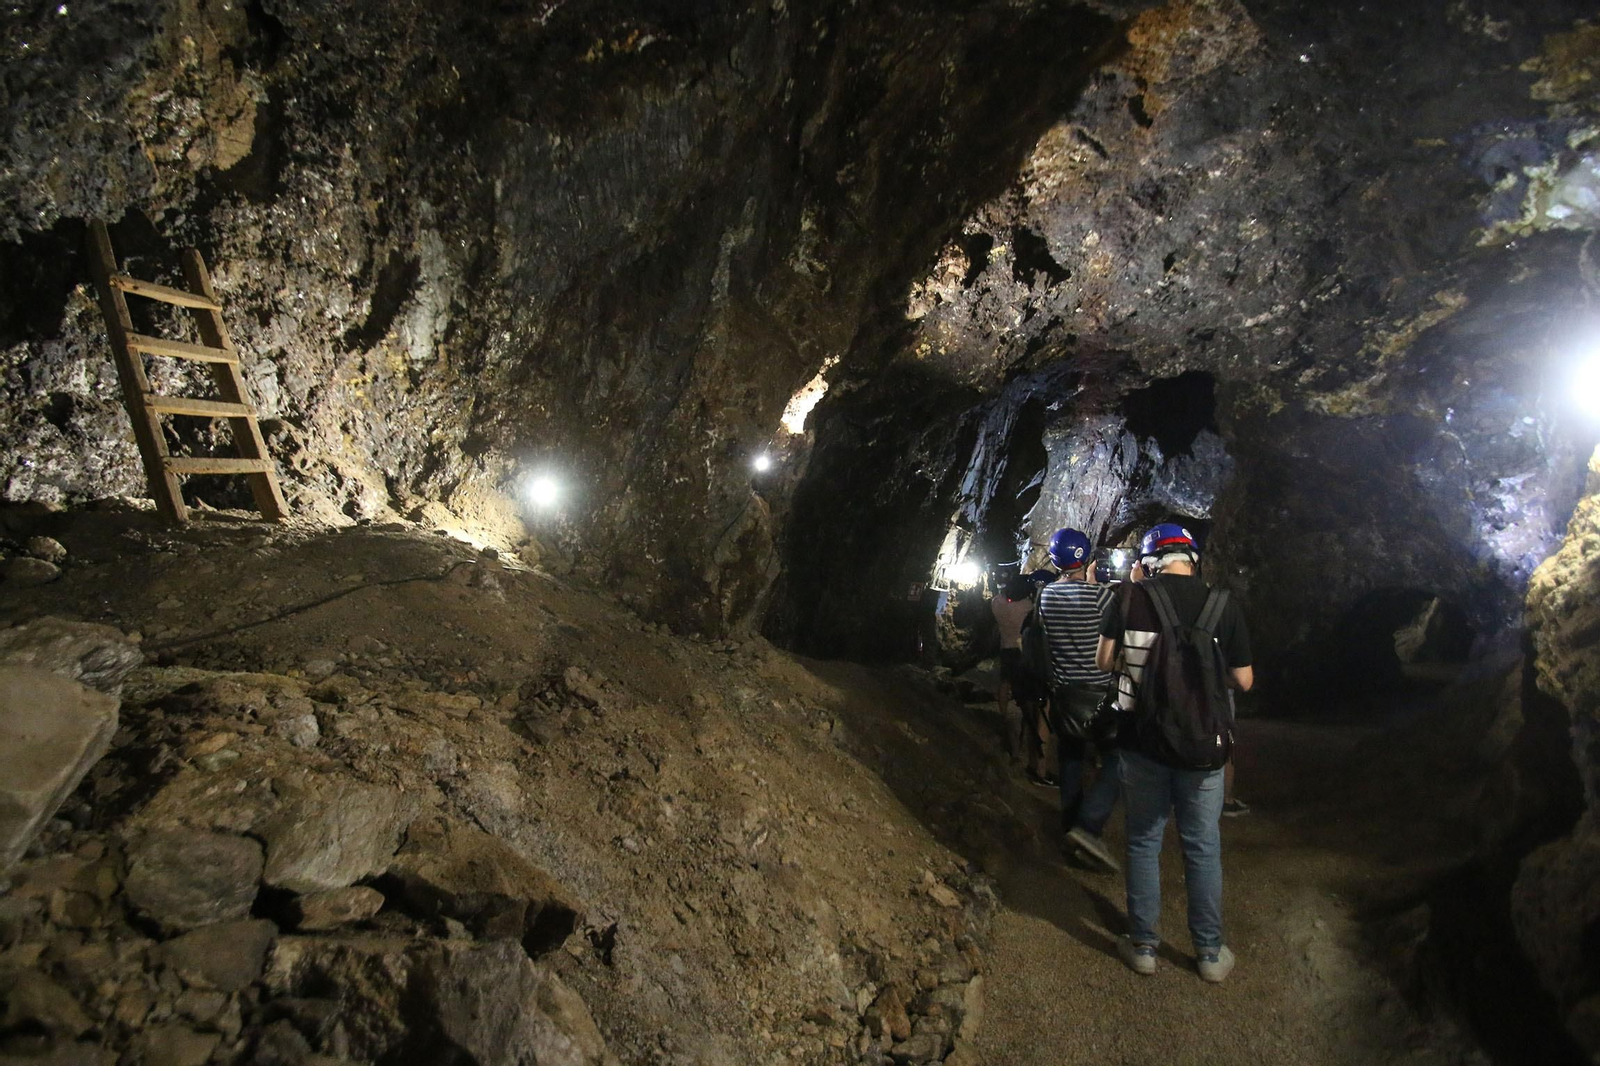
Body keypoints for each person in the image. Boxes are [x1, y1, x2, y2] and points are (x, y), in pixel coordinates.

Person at [1097, 522, 1252, 982]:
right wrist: (1201, 678)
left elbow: (1104, 662)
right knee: (1202, 846)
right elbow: (1244, 680)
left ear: (1147, 562)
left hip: (1142, 740)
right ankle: (1208, 953)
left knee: (1144, 839)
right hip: (1202, 746)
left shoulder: (1127, 599)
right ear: (1192, 558)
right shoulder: (1224, 606)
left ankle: (1143, 945)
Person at [1036, 527, 1120, 872]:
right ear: (1085, 559)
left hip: (1066, 694)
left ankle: (1070, 830)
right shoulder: (1103, 597)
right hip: (1100, 694)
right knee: (1119, 760)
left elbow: (1044, 639)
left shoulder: (1045, 597)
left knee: (1070, 760)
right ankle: (1088, 825)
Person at [991, 573, 1048, 770]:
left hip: (1005, 648)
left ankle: (1003, 714)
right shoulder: (1026, 607)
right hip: (1022, 650)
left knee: (1004, 682)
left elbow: (999, 597)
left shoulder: (996, 603)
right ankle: (1026, 723)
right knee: (1024, 688)